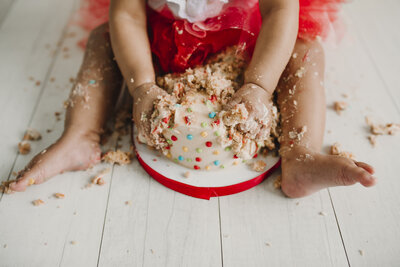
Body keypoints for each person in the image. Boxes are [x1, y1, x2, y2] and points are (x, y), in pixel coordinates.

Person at [9, 0, 377, 198]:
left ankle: (300, 154)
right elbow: (128, 14)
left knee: (305, 51)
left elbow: (280, 10)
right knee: (103, 38)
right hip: (160, 42)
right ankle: (80, 136)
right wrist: (142, 86)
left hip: (248, 39)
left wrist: (260, 86)